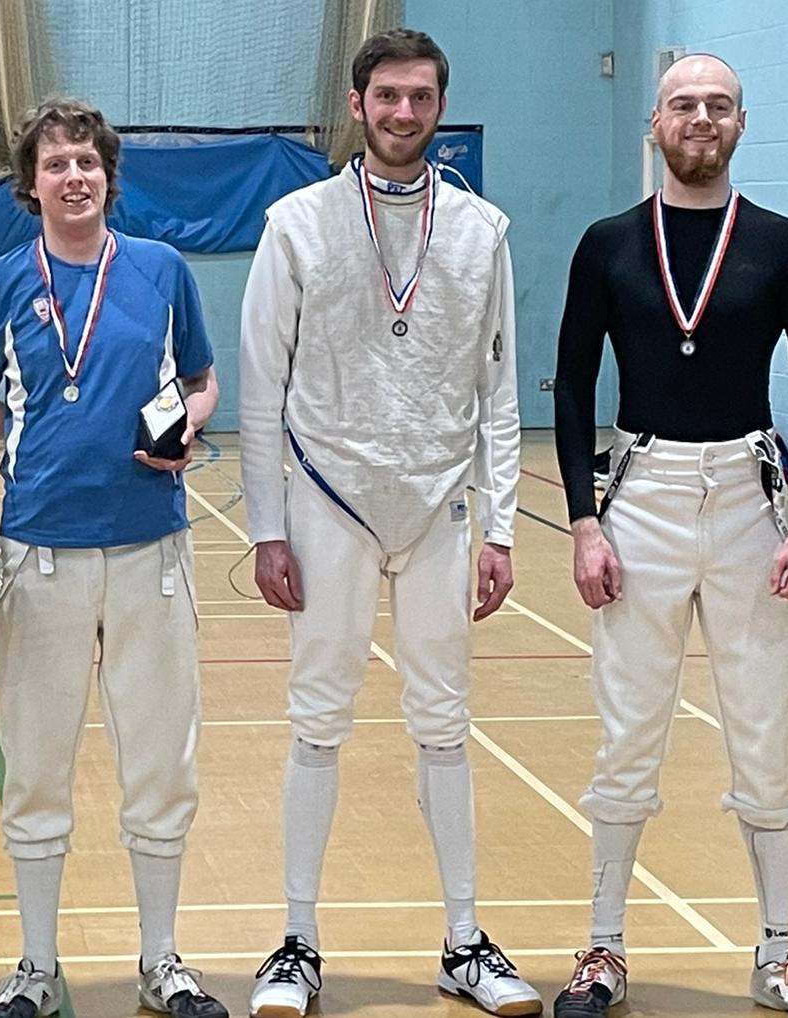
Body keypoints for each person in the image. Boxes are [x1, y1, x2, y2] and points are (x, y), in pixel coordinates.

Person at [239, 28, 541, 1018]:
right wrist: (267, 527)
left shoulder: (483, 229)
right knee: (317, 720)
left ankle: (463, 939)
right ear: (358, 105)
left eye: (420, 97)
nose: (404, 113)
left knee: (443, 721)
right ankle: (296, 940)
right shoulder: (295, 223)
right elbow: (258, 385)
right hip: (330, 496)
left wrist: (501, 527)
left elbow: (500, 387)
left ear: (438, 107)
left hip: (441, 501)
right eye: (387, 97)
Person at [551, 53, 788, 1018]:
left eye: (718, 105)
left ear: (742, 124)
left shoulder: (783, 245)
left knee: (765, 732)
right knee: (628, 735)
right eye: (684, 104)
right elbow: (576, 384)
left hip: (751, 504)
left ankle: (781, 954)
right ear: (656, 125)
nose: (700, 118)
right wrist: (584, 524)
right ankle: (603, 949)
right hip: (641, 497)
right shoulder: (608, 243)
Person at [0, 96, 226, 1018]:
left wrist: (189, 424)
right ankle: (34, 965)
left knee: (160, 761)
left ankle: (162, 959)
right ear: (29, 184)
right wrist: (43, 433)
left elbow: (201, 379)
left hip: (153, 545)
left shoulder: (159, 268)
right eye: (56, 163)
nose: (74, 176)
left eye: (88, 162)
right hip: (40, 552)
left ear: (108, 175)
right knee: (35, 764)